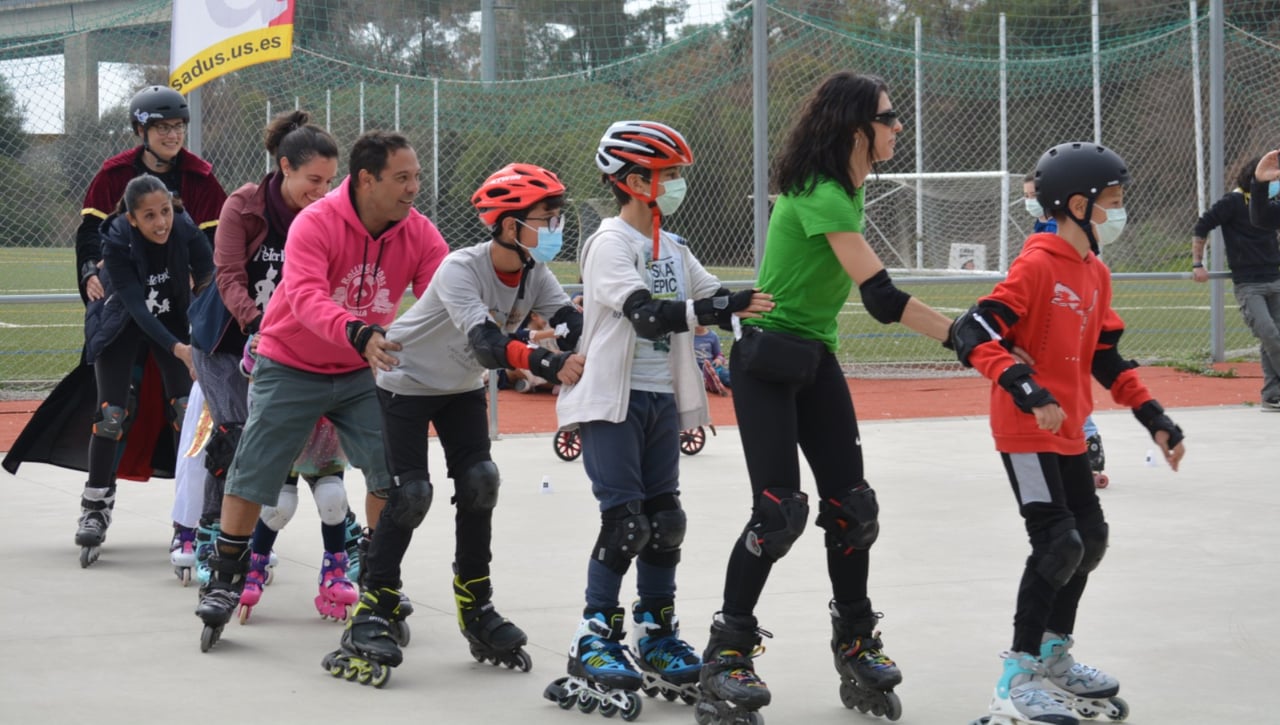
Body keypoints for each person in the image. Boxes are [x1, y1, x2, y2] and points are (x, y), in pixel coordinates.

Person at [695, 72, 952, 724]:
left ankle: (856, 639)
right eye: (890, 118)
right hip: (765, 359)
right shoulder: (820, 193)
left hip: (813, 356)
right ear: (854, 128)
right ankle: (726, 652)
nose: (899, 128)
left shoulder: (847, 190)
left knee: (853, 507)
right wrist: (968, 337)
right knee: (778, 512)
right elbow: (883, 299)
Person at [322, 162, 585, 687]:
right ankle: (374, 605)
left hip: (459, 389)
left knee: (481, 482)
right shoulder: (461, 268)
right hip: (405, 381)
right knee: (411, 495)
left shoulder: (535, 270)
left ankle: (475, 605)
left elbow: (568, 320)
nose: (556, 228)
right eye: (546, 218)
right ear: (510, 225)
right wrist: (550, 364)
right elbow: (488, 344)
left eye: (557, 217)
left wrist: (595, 336)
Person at [950, 141, 1186, 725]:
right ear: (1078, 204)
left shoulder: (1096, 272)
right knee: (1057, 544)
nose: (1118, 211)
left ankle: (1054, 655)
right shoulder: (1035, 265)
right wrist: (1025, 385)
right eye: (1112, 201)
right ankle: (1016, 676)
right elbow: (973, 332)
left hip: (1070, 432)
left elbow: (1107, 358)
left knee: (1091, 539)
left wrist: (1153, 416)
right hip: (1024, 431)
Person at [543, 121, 771, 718]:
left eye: (675, 174)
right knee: (626, 524)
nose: (675, 184)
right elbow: (647, 315)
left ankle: (656, 631)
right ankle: (593, 634)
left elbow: (717, 297)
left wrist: (755, 304)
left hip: (660, 400)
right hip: (612, 402)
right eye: (665, 175)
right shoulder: (609, 244)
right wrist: (715, 306)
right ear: (630, 181)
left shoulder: (675, 247)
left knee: (665, 520)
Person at [193, 131, 449, 653]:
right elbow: (306, 296)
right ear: (367, 180)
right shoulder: (317, 222)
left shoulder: (418, 233)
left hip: (361, 369)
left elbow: (445, 294)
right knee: (255, 467)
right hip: (291, 360)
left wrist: (492, 333)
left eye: (417, 177)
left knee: (392, 472)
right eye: (402, 178)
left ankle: (379, 581)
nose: (413, 188)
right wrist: (356, 330)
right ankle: (225, 575)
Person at [186, 110, 365, 621]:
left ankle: (336, 529)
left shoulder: (329, 212)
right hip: (227, 340)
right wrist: (257, 326)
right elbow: (228, 277)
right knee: (240, 434)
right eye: (314, 180)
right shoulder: (244, 206)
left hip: (294, 343)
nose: (323, 190)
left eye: (331, 182)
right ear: (284, 167)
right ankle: (212, 536)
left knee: (305, 441)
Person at [75, 174, 215, 567]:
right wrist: (180, 349)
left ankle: (192, 518)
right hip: (120, 322)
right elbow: (137, 308)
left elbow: (208, 279)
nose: (161, 222)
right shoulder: (118, 240)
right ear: (133, 219)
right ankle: (95, 505)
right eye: (149, 216)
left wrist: (203, 335)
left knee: (188, 412)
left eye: (165, 211)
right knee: (111, 415)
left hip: (171, 316)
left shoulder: (184, 228)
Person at [78, 85, 225, 305]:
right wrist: (89, 270)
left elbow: (217, 238)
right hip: (127, 282)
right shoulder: (114, 174)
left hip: (182, 290)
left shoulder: (199, 177)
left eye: (179, 126)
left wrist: (198, 273)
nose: (173, 136)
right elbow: (91, 231)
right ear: (141, 130)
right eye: (163, 128)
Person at [1026, 171, 1109, 484]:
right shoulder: (1039, 233)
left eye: (1033, 195)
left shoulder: (1071, 226)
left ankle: (1088, 446)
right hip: (1051, 313)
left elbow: (1089, 256)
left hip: (1072, 310)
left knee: (1071, 377)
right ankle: (1069, 451)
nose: (1030, 202)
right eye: (1027, 196)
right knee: (1051, 382)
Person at [1192, 154, 1280, 412]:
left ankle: (1272, 395)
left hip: (1274, 277)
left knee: (1272, 338)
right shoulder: (1233, 202)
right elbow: (1202, 226)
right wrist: (1198, 263)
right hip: (1248, 282)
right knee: (1269, 333)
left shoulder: (1272, 204)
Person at [693, 324, 730, 393]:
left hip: (711, 367)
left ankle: (711, 381)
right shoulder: (689, 337)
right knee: (696, 378)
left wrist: (719, 359)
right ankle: (707, 383)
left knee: (724, 375)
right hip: (695, 368)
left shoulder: (713, 336)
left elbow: (719, 354)